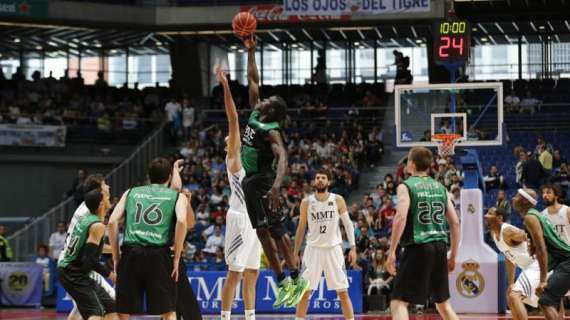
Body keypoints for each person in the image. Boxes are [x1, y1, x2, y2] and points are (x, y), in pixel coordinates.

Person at [240, 35, 307, 308]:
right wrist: (252, 49)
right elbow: (253, 80)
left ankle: (296, 278)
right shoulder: (256, 115)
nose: (262, 98)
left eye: (267, 100)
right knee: (262, 232)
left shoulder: (272, 131)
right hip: (250, 181)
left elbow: (283, 157)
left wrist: (278, 186)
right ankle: (282, 282)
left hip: (265, 181)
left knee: (278, 231)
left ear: (272, 111)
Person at [108, 158, 188, 320]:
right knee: (168, 310)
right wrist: (177, 257)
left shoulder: (130, 192)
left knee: (123, 309)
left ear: (149, 176)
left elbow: (111, 222)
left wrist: (116, 258)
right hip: (159, 254)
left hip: (131, 253)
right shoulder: (177, 196)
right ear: (169, 177)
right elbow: (181, 221)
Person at [386, 147, 460, 320]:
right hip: (440, 247)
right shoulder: (440, 187)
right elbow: (455, 223)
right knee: (443, 304)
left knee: (398, 302)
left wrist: (391, 252)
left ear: (411, 164)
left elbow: (400, 218)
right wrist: (453, 256)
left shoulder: (406, 186)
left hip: (418, 246)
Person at [216, 66, 261, 320]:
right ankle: (225, 317)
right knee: (234, 273)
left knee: (253, 273)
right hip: (239, 218)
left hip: (255, 220)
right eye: (230, 139)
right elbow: (233, 119)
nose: (234, 139)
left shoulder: (251, 159)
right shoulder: (234, 158)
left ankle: (250, 317)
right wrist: (225, 85)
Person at [293, 170, 357, 319]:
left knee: (343, 292)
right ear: (314, 182)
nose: (320, 180)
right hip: (312, 250)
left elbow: (348, 224)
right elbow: (301, 228)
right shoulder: (306, 202)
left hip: (333, 249)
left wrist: (353, 247)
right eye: (318, 178)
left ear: (328, 182)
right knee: (304, 292)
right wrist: (295, 252)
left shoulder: (338, 200)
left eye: (323, 178)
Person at [62, 174, 117, 320]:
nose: (108, 187)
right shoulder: (93, 218)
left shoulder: (86, 209)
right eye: (105, 185)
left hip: (72, 263)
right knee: (107, 306)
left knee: (83, 309)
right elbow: (89, 257)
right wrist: (110, 274)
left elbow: (90, 246)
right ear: (99, 193)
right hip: (77, 267)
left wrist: (115, 250)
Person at [513, 188, 570, 320]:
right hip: (561, 263)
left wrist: (543, 280)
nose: (513, 198)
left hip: (566, 262)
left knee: (545, 301)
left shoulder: (530, 217)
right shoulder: (536, 215)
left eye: (517, 196)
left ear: (524, 201)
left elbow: (541, 248)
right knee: (548, 298)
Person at [485, 207, 540, 319]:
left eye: (490, 213)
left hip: (536, 265)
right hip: (528, 268)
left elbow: (531, 236)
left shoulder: (507, 231)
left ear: (499, 218)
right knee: (511, 297)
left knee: (514, 297)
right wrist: (511, 283)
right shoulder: (494, 234)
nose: (486, 215)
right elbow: (509, 257)